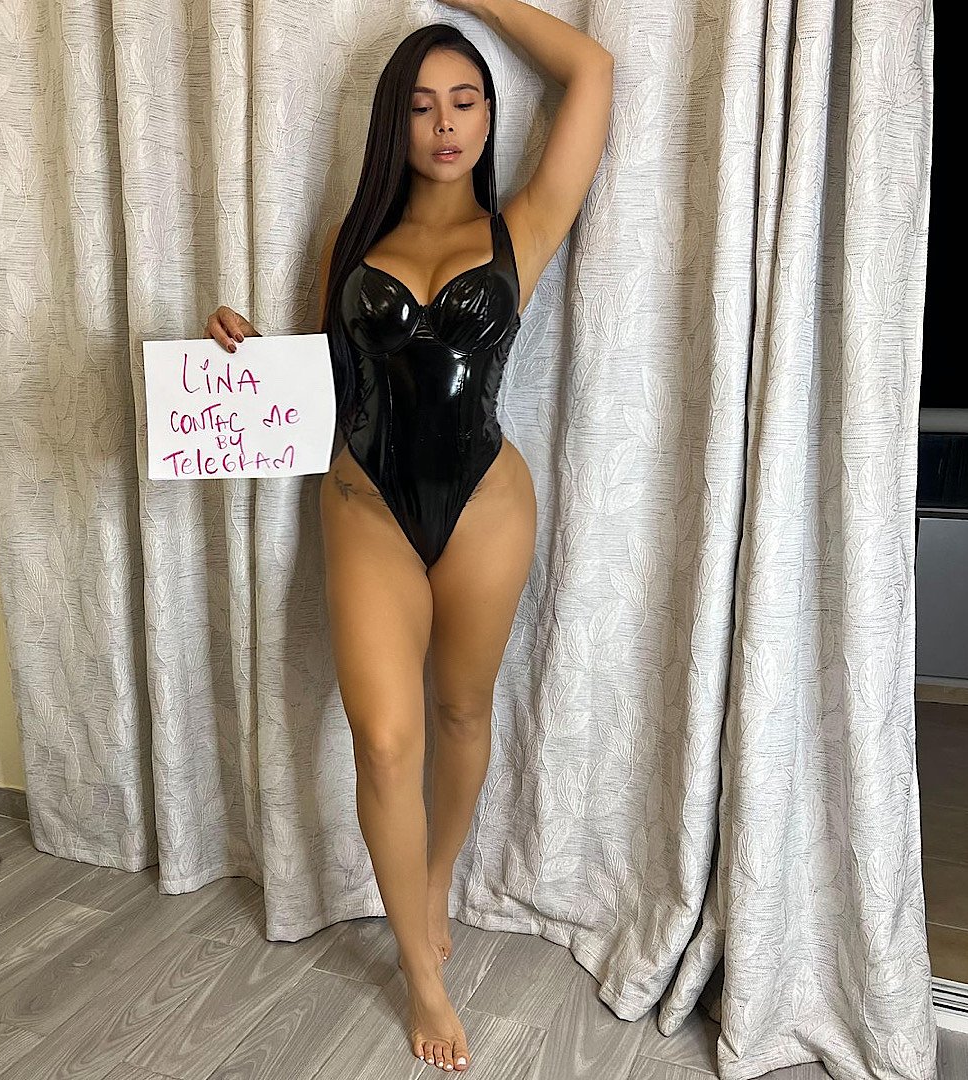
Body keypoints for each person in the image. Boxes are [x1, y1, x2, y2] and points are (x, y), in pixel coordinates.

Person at [207, 1, 612, 1071]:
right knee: (385, 739)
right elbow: (320, 383)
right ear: (396, 120)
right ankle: (421, 979)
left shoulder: (525, 225)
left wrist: (480, 4)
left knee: (462, 711)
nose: (445, 123)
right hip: (365, 504)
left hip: (486, 502)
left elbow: (592, 71)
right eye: (424, 104)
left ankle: (433, 884)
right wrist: (242, 351)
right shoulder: (352, 243)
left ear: (487, 118)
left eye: (465, 101)